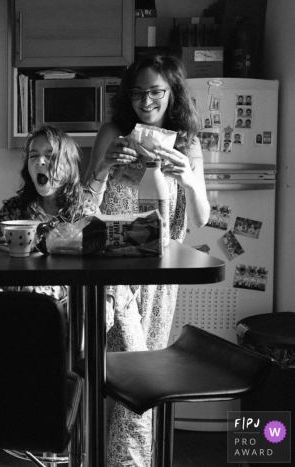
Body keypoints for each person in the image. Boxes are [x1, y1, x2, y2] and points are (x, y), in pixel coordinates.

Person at [84, 54, 209, 467]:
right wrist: (104, 165)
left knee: (143, 380)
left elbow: (200, 217)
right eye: (137, 92)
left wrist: (187, 176)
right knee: (120, 371)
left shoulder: (187, 142)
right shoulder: (113, 133)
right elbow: (84, 211)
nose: (146, 101)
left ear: (172, 93)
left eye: (155, 91)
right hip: (112, 276)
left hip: (158, 278)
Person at [0, 126, 106, 314]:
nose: (40, 161)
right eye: (33, 156)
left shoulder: (85, 211)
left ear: (69, 166)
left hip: (68, 299)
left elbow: (98, 268)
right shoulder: (14, 209)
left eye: (50, 156)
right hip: (17, 301)